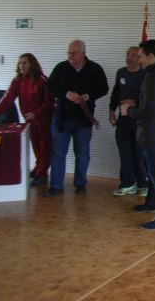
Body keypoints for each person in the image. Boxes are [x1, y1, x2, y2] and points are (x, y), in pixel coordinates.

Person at [121, 39, 155, 231]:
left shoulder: (152, 78)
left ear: (151, 56)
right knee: (154, 174)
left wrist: (128, 110)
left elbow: (148, 112)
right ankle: (152, 202)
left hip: (152, 135)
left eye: (141, 56)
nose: (138, 60)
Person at [45, 40, 108, 197]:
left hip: (83, 119)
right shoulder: (61, 67)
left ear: (83, 53)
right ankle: (56, 186)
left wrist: (88, 96)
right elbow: (50, 86)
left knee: (82, 154)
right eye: (68, 53)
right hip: (62, 118)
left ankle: (80, 184)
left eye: (74, 53)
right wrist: (67, 94)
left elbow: (103, 88)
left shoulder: (94, 68)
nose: (70, 56)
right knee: (58, 153)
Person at [0, 53, 54, 186]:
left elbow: (50, 103)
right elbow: (7, 98)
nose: (22, 66)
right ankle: (39, 168)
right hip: (29, 120)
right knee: (36, 146)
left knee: (44, 147)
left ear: (32, 64)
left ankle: (42, 174)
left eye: (25, 63)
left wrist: (35, 113)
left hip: (44, 120)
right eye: (20, 63)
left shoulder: (42, 80)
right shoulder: (17, 81)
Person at [109, 46, 148, 196]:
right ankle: (128, 183)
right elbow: (116, 92)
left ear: (140, 58)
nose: (129, 58)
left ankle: (144, 184)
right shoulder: (121, 72)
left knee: (140, 154)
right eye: (127, 54)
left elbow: (149, 98)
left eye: (133, 55)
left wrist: (135, 103)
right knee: (125, 153)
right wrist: (111, 111)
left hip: (139, 120)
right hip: (123, 119)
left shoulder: (145, 74)